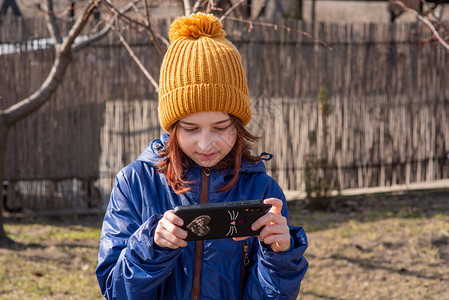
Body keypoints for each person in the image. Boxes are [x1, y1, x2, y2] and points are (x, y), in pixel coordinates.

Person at [96, 12, 308, 300]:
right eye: (190, 128)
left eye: (220, 127)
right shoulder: (135, 184)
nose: (205, 144)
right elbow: (115, 291)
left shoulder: (263, 191)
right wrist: (151, 246)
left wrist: (280, 257)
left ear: (239, 125)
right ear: (172, 128)